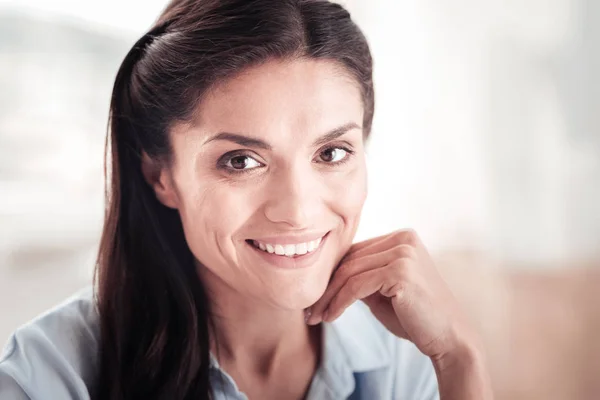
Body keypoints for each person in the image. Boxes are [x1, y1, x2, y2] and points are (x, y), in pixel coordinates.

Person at [0, 0, 492, 399]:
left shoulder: (407, 358)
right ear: (160, 175)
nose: (298, 209)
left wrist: (461, 359)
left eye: (333, 151)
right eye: (240, 161)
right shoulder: (49, 376)